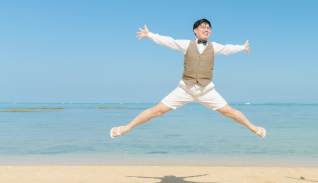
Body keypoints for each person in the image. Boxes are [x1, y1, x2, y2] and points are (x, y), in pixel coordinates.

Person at [110, 19, 266, 139]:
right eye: (203, 27)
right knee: (157, 111)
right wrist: (149, 34)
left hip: (206, 90)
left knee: (229, 112)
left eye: (209, 27)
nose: (207, 29)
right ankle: (126, 128)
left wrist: (242, 47)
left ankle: (252, 127)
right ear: (195, 30)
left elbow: (227, 49)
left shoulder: (214, 46)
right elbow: (168, 41)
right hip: (185, 89)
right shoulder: (186, 44)